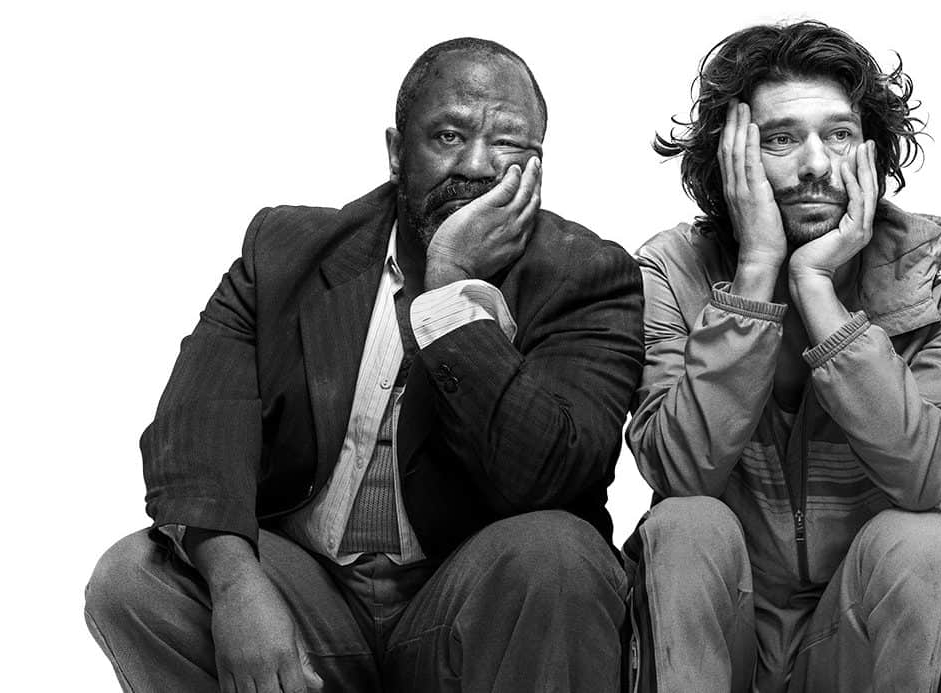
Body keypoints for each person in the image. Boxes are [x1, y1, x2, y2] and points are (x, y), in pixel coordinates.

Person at [84, 37, 641, 692]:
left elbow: (550, 476)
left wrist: (452, 289)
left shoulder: (587, 276)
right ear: (397, 152)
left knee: (559, 554)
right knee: (134, 579)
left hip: (470, 602)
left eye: (508, 144)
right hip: (311, 597)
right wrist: (237, 587)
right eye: (449, 136)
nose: (476, 165)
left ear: (539, 163)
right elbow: (196, 427)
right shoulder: (287, 250)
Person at [625, 20, 941, 692]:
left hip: (857, 637)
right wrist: (757, 271)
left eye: (839, 135)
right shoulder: (672, 269)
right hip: (725, 637)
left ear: (872, 151)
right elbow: (679, 469)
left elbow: (930, 473)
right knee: (685, 522)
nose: (817, 165)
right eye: (780, 139)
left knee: (921, 538)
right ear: (730, 157)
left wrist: (816, 287)